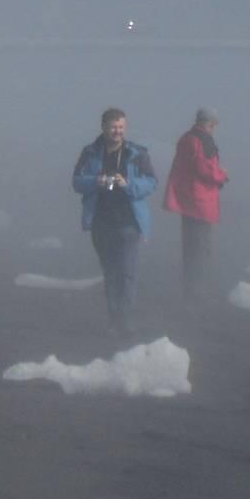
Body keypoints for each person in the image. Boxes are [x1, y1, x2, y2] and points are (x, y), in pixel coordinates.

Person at [72, 107, 157, 337]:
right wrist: (95, 181)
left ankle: (125, 320)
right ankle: (113, 319)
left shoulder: (138, 154)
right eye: (113, 127)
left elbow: (151, 182)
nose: (117, 132)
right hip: (101, 222)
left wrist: (128, 184)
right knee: (110, 273)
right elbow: (76, 182)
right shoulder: (90, 153)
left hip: (129, 222)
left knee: (127, 273)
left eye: (121, 127)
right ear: (103, 127)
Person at [163, 106, 229, 304]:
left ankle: (190, 291)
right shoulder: (203, 141)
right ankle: (196, 294)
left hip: (187, 200)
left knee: (190, 247)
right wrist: (223, 175)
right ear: (211, 124)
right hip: (200, 202)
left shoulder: (186, 138)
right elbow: (205, 169)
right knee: (200, 248)